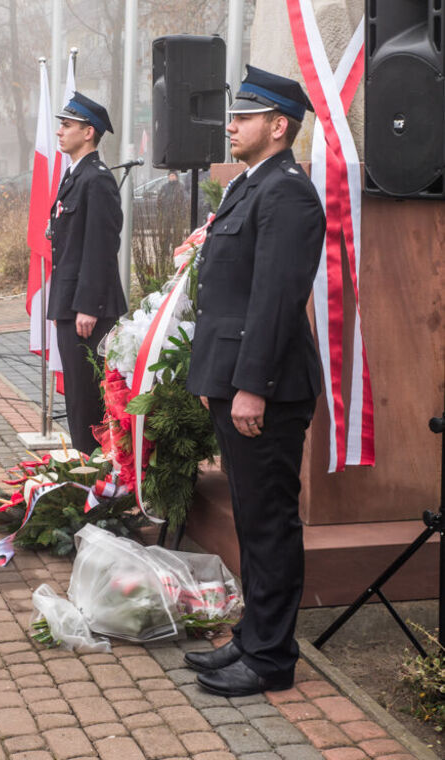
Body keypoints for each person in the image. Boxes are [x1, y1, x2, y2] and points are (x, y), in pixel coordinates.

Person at [184, 66, 326, 698]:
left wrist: (253, 386)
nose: (231, 125)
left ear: (278, 126)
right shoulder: (251, 186)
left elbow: (275, 299)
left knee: (269, 523)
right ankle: (252, 635)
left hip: (264, 387)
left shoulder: (287, 192)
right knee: (252, 516)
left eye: (245, 116)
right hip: (238, 378)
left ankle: (271, 657)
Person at [47, 91, 127, 454]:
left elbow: (100, 247)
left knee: (88, 400)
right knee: (79, 398)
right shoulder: (75, 177)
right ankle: (86, 469)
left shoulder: (97, 179)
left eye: (67, 125)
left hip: (85, 308)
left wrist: (89, 306)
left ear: (89, 132)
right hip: (71, 301)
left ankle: (96, 474)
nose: (60, 132)